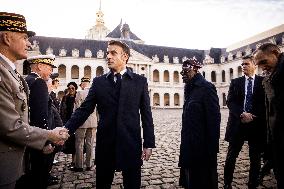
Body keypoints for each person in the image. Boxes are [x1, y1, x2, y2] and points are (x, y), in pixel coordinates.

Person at [64, 40, 155, 189]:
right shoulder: (99, 82)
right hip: (105, 144)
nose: (109, 56)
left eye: (113, 53)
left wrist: (149, 143)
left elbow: (146, 115)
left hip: (130, 143)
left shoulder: (139, 82)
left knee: (132, 185)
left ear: (125, 56)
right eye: (107, 53)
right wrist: (66, 129)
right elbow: (84, 109)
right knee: (102, 184)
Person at [0, 12, 69, 189]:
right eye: (24, 37)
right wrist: (48, 137)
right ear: (7, 38)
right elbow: (10, 126)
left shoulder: (14, 73)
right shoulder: (4, 74)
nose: (29, 43)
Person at [223, 55, 266, 189]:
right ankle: (227, 183)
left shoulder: (263, 81)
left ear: (254, 65)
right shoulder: (235, 82)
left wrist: (253, 116)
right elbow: (230, 101)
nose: (243, 66)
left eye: (246, 64)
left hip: (256, 125)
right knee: (231, 156)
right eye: (242, 64)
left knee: (255, 158)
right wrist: (242, 113)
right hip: (237, 124)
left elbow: (264, 102)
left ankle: (252, 184)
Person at [178, 58, 220, 189]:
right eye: (181, 72)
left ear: (195, 70)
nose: (182, 74)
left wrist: (211, 151)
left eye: (186, 71)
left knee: (203, 182)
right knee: (190, 181)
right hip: (188, 145)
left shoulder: (206, 88)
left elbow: (214, 121)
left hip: (202, 149)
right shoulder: (189, 88)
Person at [22, 54, 61, 189]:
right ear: (39, 66)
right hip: (37, 138)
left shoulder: (27, 79)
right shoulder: (38, 83)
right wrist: (46, 141)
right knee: (39, 176)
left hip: (27, 135)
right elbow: (40, 116)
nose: (51, 72)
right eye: (49, 68)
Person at [253, 43, 284, 189]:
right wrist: (271, 155)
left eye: (264, 62)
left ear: (276, 54)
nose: (262, 67)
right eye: (259, 65)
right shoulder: (271, 78)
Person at [71, 77, 97, 172]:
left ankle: (79, 165)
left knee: (79, 143)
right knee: (90, 143)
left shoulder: (80, 93)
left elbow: (77, 108)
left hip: (81, 122)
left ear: (82, 84)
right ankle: (89, 165)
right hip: (93, 122)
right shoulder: (95, 93)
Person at [60, 81, 78, 168]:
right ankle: (73, 161)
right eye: (69, 88)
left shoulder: (77, 97)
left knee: (76, 142)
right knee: (70, 143)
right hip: (67, 122)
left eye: (72, 88)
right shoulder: (65, 98)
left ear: (75, 89)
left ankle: (75, 161)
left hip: (76, 122)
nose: (71, 90)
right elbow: (62, 110)